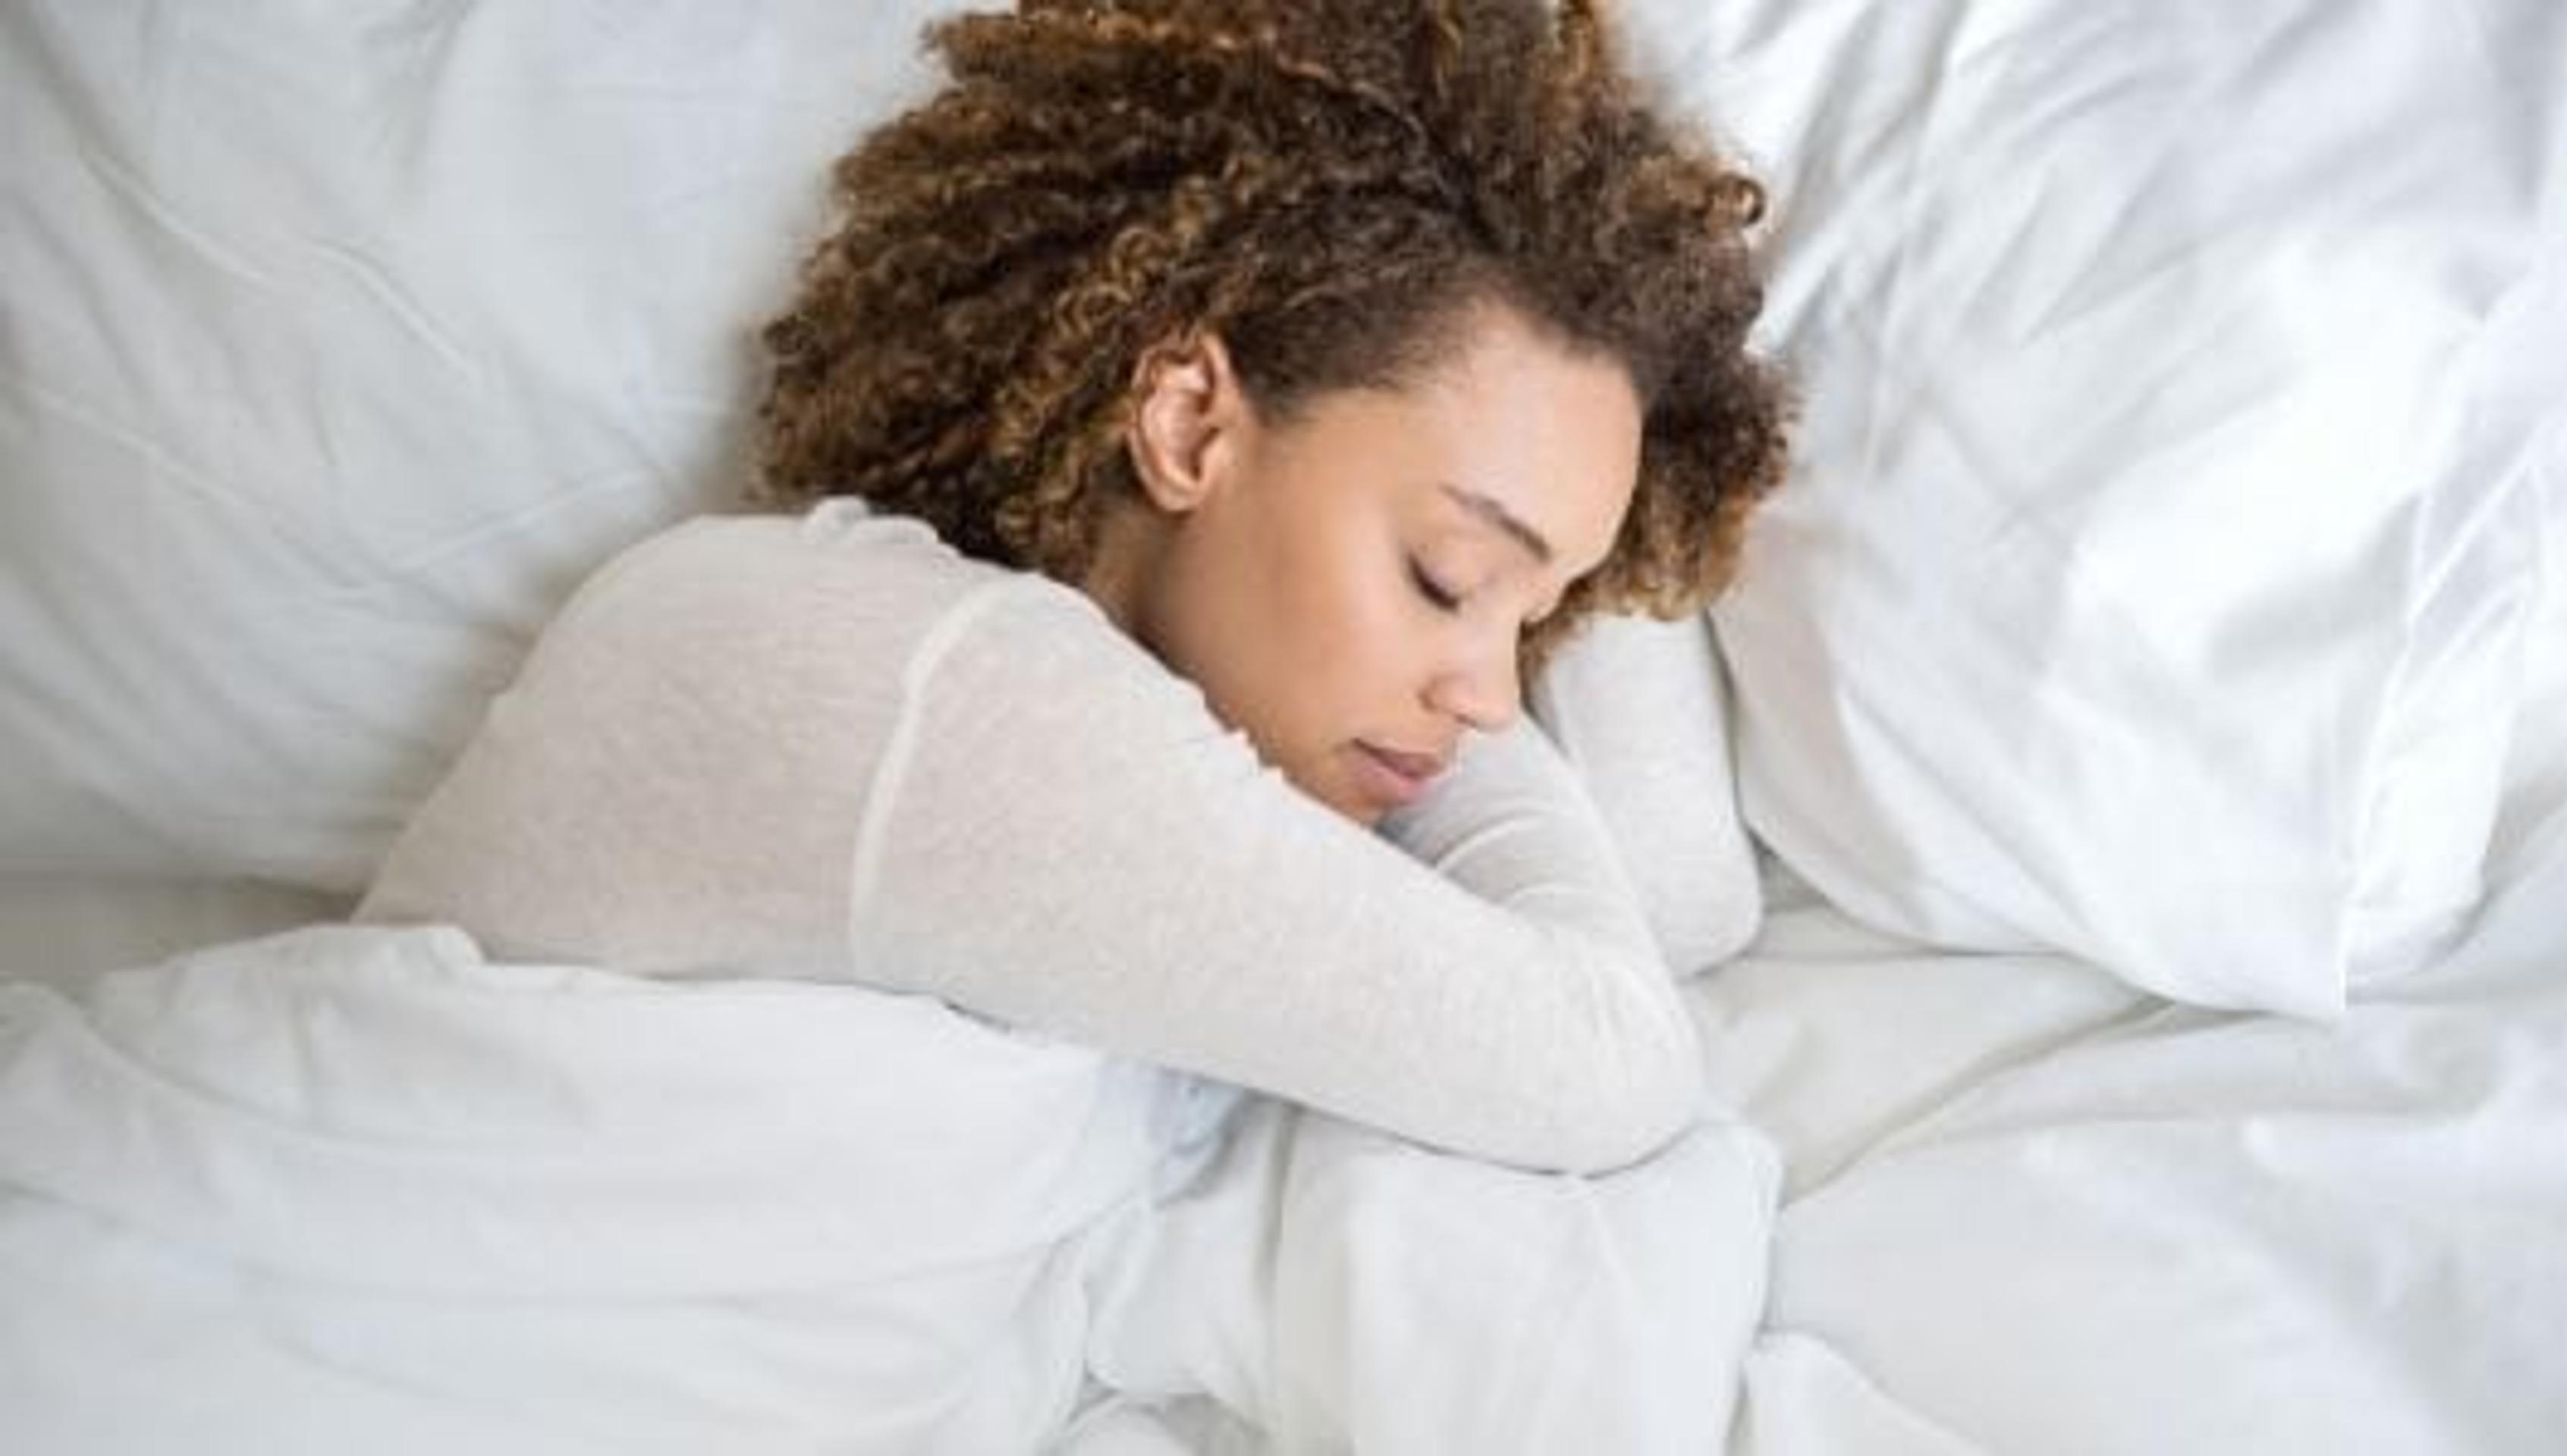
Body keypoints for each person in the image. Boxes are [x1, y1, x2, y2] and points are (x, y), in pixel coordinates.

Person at [357, 0, 1788, 1174]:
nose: (1490, 700)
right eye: (1443, 575)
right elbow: (1601, 1063)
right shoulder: (918, 685)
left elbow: (1676, 904)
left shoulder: (1136, 722)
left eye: (1538, 624)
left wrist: (1579, 456)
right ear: (1187, 425)